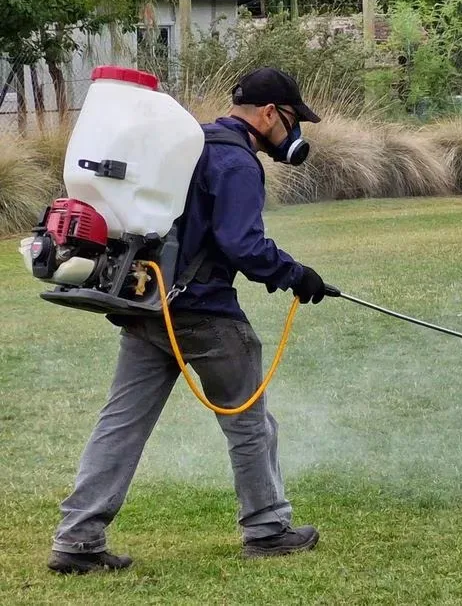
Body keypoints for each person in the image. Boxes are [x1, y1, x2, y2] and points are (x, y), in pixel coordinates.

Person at [48, 67, 330, 574]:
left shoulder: (187, 141)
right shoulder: (237, 161)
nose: (293, 133)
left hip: (145, 303)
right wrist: (297, 275)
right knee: (249, 424)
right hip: (204, 315)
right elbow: (242, 244)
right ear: (269, 114)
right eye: (291, 120)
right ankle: (267, 529)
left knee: (121, 425)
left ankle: (77, 539)